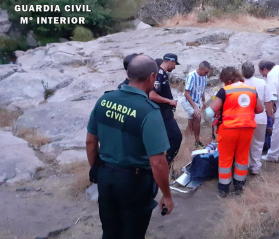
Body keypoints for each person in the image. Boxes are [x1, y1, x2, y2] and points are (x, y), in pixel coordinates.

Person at [86, 55, 174, 239]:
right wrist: (167, 195)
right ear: (152, 77)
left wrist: (98, 170)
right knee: (133, 233)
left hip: (105, 176)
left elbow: (91, 142)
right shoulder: (149, 111)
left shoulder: (104, 100)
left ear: (128, 73)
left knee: (110, 231)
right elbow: (158, 162)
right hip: (134, 182)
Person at [205, 67, 264, 197]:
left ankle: (224, 189)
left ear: (226, 80)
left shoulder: (225, 91)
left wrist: (206, 110)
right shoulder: (252, 90)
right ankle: (239, 186)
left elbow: (210, 112)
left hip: (229, 129)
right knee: (242, 157)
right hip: (247, 129)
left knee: (225, 159)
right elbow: (260, 109)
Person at [149, 53, 182, 165]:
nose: (175, 67)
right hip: (162, 114)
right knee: (176, 138)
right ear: (170, 62)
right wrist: (169, 101)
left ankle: (166, 164)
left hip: (166, 113)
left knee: (167, 140)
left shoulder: (162, 74)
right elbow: (152, 95)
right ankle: (166, 163)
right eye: (175, 64)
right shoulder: (159, 73)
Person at [241, 61, 273, 175]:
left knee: (244, 143)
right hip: (260, 117)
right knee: (258, 143)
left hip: (243, 118)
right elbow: (268, 102)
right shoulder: (262, 83)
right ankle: (255, 166)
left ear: (241, 71)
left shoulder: (238, 83)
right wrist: (270, 118)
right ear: (254, 71)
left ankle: (244, 165)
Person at [182, 61, 211, 149]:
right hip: (188, 102)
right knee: (198, 117)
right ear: (200, 69)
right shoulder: (191, 76)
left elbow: (202, 89)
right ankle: (197, 141)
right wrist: (195, 107)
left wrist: (204, 101)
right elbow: (186, 93)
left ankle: (185, 141)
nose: (207, 74)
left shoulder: (204, 76)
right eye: (205, 72)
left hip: (197, 102)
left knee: (191, 123)